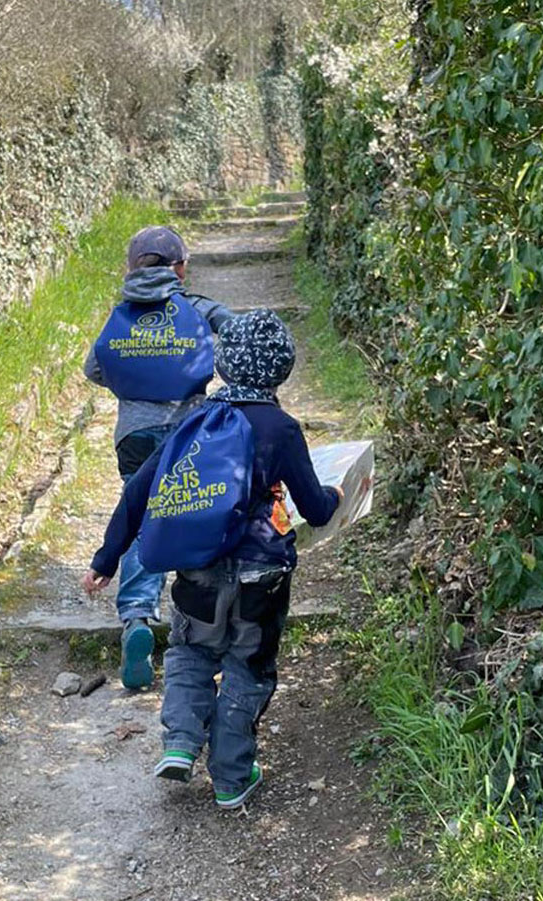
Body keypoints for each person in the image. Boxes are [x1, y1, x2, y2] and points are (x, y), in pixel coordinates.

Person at [82, 310, 342, 809]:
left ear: (223, 364)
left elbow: (140, 491)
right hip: (259, 577)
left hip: (197, 570)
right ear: (282, 367)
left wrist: (107, 558)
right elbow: (315, 508)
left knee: (190, 653)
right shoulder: (281, 428)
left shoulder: (193, 422)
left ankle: (179, 740)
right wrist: (340, 491)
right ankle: (230, 776)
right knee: (248, 665)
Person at [83, 226, 233, 691]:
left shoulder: (121, 313)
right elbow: (237, 332)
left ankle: (136, 621)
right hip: (187, 430)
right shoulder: (197, 307)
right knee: (191, 509)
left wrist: (136, 385)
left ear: (132, 268)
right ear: (180, 268)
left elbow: (93, 368)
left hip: (133, 433)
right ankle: (198, 619)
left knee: (142, 518)